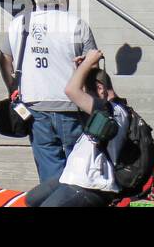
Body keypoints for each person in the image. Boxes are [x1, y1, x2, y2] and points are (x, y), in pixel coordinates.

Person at [0, 0, 98, 183]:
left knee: (50, 173)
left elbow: (3, 60)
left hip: (35, 108)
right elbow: (93, 68)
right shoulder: (77, 24)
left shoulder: (20, 22)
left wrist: (12, 89)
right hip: (72, 108)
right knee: (79, 169)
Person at [25, 49, 129, 207]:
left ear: (100, 89)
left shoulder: (110, 110)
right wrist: (85, 67)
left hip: (90, 185)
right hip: (74, 178)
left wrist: (88, 63)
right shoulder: (108, 109)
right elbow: (84, 86)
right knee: (32, 199)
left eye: (87, 94)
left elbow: (70, 90)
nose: (83, 101)